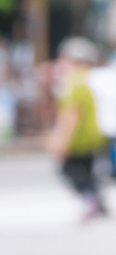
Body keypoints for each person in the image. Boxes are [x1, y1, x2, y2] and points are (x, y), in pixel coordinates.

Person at [47, 37, 108, 221]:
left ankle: (89, 200)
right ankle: (98, 201)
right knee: (89, 171)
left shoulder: (72, 82)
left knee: (68, 169)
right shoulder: (93, 79)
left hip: (79, 137)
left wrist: (61, 139)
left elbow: (70, 114)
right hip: (96, 135)